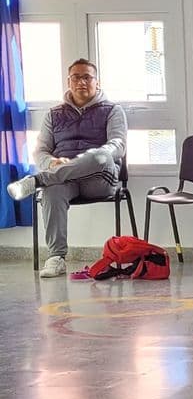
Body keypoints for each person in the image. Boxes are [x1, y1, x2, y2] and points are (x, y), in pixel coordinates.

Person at [6, 59, 127, 279]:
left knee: (100, 155)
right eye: (76, 77)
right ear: (68, 81)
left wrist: (93, 157)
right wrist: (52, 163)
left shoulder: (112, 110)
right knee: (51, 190)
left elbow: (118, 145)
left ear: (97, 82)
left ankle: (37, 180)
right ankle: (56, 258)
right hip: (65, 180)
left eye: (87, 77)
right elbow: (40, 151)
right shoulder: (54, 114)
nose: (82, 82)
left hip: (99, 179)